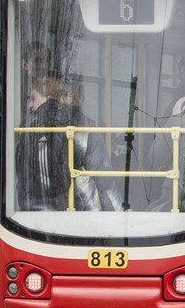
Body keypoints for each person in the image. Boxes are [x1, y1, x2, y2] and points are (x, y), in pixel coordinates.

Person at [17, 76, 122, 211]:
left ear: (48, 97)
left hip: (36, 215)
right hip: (84, 211)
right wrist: (119, 213)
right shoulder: (85, 127)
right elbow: (104, 182)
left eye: (33, 98)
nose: (30, 105)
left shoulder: (27, 129)